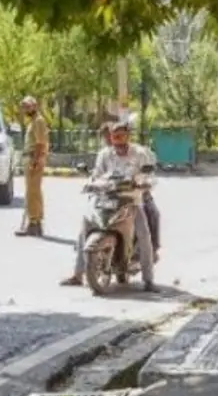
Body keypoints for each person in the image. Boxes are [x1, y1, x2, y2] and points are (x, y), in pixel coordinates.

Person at [61, 121, 157, 291]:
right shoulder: (105, 154)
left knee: (144, 235)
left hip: (130, 200)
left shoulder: (139, 154)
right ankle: (77, 275)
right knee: (85, 226)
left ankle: (148, 280)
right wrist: (90, 183)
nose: (117, 140)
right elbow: (97, 174)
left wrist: (143, 183)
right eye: (114, 137)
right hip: (105, 198)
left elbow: (149, 176)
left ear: (128, 136)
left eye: (121, 136)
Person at [16, 96, 50, 237]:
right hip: (30, 158)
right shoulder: (33, 122)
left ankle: (34, 221)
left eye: (28, 106)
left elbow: (40, 143)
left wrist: (35, 161)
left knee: (32, 193)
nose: (26, 110)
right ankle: (35, 222)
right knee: (33, 192)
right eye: (24, 107)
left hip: (34, 158)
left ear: (35, 106)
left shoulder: (39, 121)